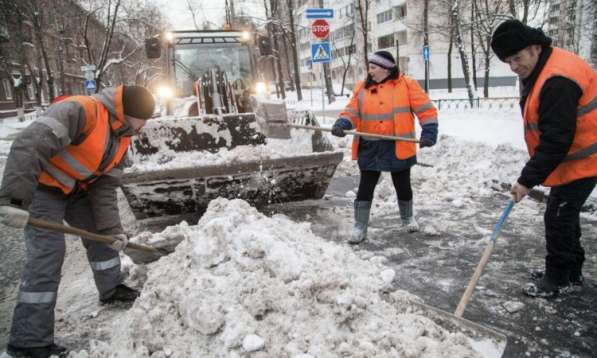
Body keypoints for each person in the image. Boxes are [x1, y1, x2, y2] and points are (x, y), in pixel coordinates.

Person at [0, 85, 156, 357]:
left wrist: (113, 231)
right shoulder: (82, 111)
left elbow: (105, 189)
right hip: (42, 186)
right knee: (48, 255)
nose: (143, 126)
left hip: (76, 189)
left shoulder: (123, 136)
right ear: (125, 113)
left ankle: (111, 288)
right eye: (141, 119)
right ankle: (29, 342)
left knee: (102, 236)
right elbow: (30, 144)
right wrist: (14, 201)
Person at [490, 20, 596, 298]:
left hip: (585, 159)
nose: (514, 66)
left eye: (517, 58)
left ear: (535, 47)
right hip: (574, 158)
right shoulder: (543, 67)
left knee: (558, 217)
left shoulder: (556, 81)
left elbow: (555, 140)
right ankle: (570, 273)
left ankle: (558, 279)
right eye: (508, 61)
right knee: (563, 215)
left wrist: (526, 181)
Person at [331, 50, 438, 244]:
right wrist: (343, 123)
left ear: (386, 69)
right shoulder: (362, 88)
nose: (370, 72)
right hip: (370, 145)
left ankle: (407, 218)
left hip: (398, 144)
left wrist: (429, 131)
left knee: (402, 184)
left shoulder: (406, 85)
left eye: (373, 67)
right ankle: (359, 227)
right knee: (366, 186)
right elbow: (352, 110)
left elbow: (426, 109)